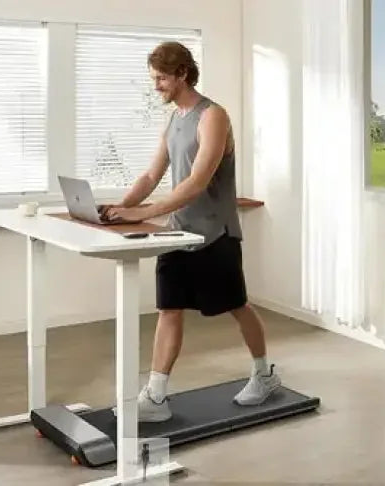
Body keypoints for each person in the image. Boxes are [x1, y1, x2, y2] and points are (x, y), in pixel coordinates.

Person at [102, 41, 281, 422]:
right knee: (169, 309)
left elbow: (198, 181)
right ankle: (156, 397)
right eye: (154, 79)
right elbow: (152, 175)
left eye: (162, 78)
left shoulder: (212, 116)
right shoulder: (174, 120)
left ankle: (264, 375)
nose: (157, 87)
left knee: (237, 305)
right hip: (178, 232)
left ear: (183, 73)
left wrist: (143, 214)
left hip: (215, 233)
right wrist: (120, 208)